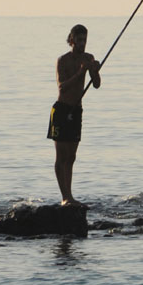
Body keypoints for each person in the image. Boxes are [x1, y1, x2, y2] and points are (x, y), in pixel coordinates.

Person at [47, 24, 101, 206]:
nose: (82, 44)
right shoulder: (63, 60)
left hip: (77, 110)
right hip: (62, 110)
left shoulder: (88, 57)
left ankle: (70, 196)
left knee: (71, 156)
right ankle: (65, 197)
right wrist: (80, 71)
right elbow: (62, 86)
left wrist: (95, 70)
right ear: (72, 40)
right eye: (79, 40)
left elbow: (96, 84)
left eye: (85, 40)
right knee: (61, 156)